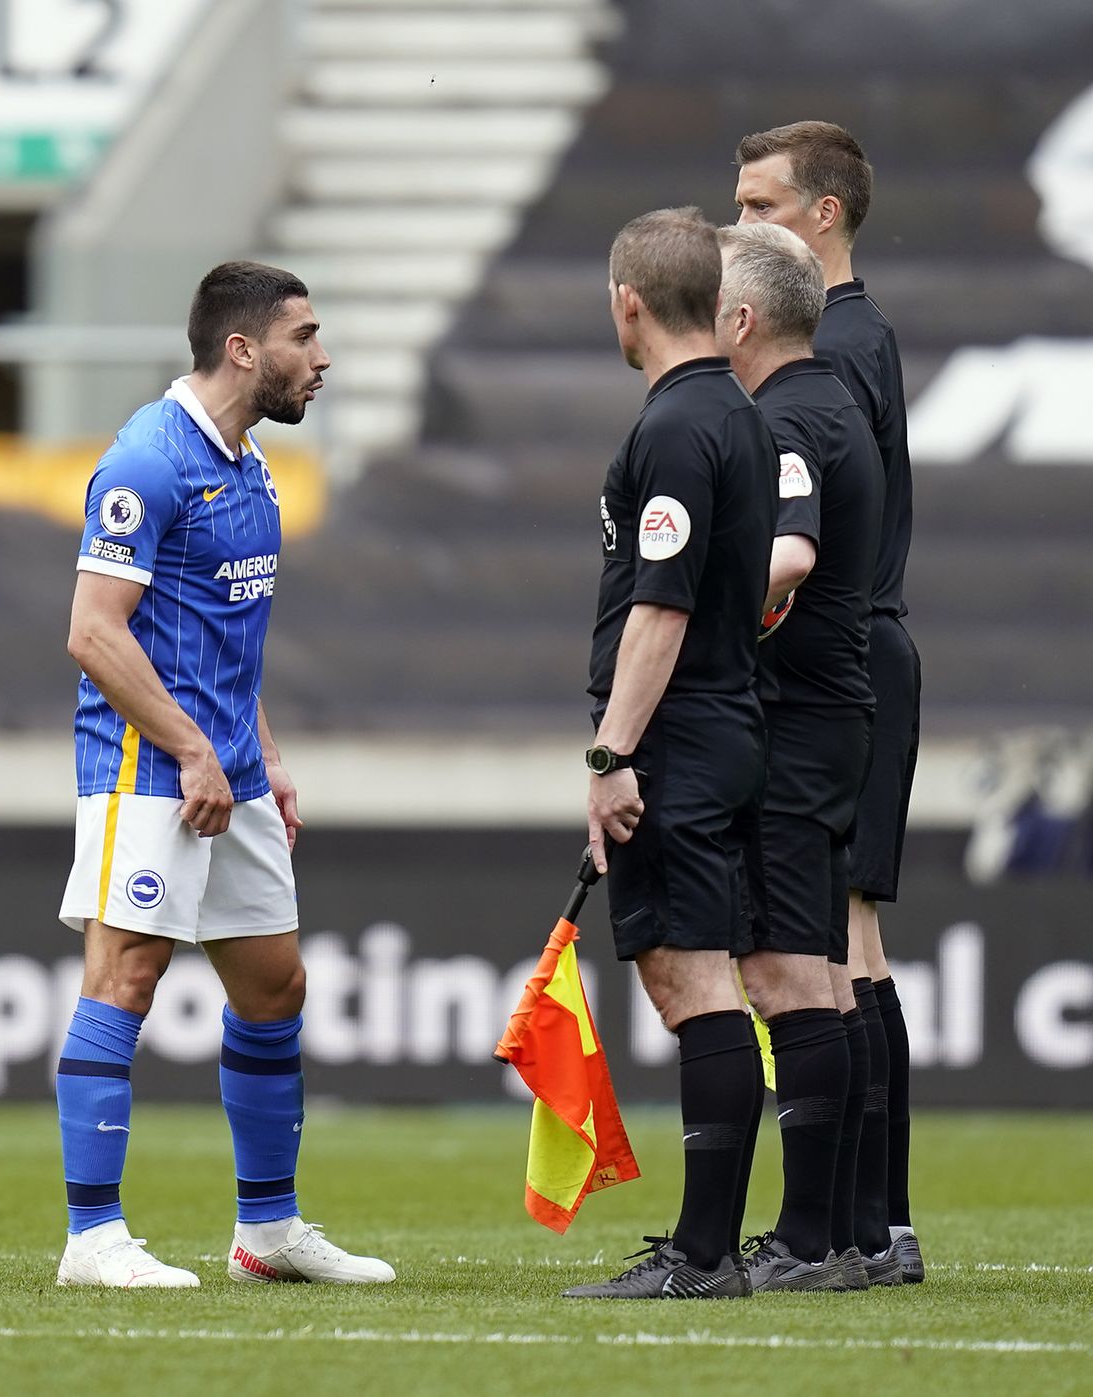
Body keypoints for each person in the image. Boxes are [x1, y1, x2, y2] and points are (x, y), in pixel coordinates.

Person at [54, 260, 394, 1289]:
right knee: (129, 974)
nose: (321, 357)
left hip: (231, 770)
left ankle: (269, 1230)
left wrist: (263, 755)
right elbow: (92, 632)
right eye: (305, 336)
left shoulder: (247, 465)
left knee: (274, 983)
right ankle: (93, 1237)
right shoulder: (145, 461)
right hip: (143, 771)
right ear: (244, 348)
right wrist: (192, 748)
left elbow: (218, 640)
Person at [562, 207, 776, 1302]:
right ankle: (707, 1246)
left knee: (692, 978)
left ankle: (703, 1256)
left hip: (679, 734)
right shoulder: (733, 414)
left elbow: (661, 608)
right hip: (719, 722)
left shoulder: (679, 427)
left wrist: (612, 754)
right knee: (686, 972)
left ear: (628, 304)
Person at [734, 120, 923, 1282]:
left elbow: (808, 537)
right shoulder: (864, 334)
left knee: (837, 945)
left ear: (822, 216)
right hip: (864, 653)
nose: (738, 225)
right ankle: (875, 1218)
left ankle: (862, 1221)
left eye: (758, 205)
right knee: (857, 942)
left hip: (835, 660)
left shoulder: (830, 355)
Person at [716, 223, 889, 1291]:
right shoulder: (830, 403)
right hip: (834, 717)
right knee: (825, 973)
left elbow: (788, 553)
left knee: (788, 975)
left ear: (741, 320)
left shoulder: (783, 416)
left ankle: (812, 1239)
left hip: (795, 722)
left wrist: (687, 600)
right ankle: (852, 1230)